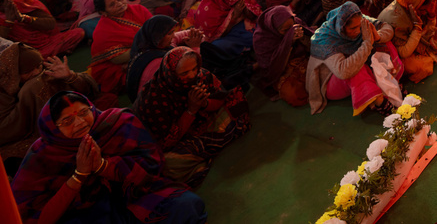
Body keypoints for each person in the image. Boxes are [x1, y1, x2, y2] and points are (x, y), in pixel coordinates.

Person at [11, 91, 207, 224]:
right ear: (53, 129)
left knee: (186, 206)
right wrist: (79, 174)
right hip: (85, 213)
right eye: (67, 121)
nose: (80, 123)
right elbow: (34, 217)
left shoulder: (116, 122)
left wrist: (103, 166)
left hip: (133, 193)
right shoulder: (43, 156)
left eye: (83, 112)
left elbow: (152, 166)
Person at [133, 47, 250, 187]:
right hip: (171, 142)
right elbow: (165, 143)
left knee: (236, 103)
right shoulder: (153, 100)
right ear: (171, 74)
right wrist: (191, 110)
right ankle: (201, 151)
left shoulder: (201, 76)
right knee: (168, 164)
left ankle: (200, 153)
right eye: (184, 73)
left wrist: (204, 103)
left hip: (199, 123)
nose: (192, 75)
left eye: (195, 68)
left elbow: (219, 99)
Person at [0, 43, 98, 155]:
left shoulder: (46, 72)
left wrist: (70, 77)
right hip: (29, 135)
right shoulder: (3, 88)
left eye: (38, 66)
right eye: (28, 71)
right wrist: (28, 95)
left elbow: (88, 90)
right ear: (14, 74)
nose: (37, 72)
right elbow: (5, 130)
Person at [306, 2, 403, 115]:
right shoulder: (324, 39)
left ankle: (391, 83)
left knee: (383, 43)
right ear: (342, 27)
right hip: (328, 83)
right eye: (353, 28)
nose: (358, 31)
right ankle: (380, 103)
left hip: (349, 71)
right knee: (356, 68)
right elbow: (343, 72)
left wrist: (378, 36)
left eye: (359, 26)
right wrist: (366, 43)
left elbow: (386, 27)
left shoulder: (360, 20)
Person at [377, 0, 437, 83]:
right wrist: (417, 27)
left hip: (414, 39)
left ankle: (431, 57)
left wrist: (431, 15)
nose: (424, 13)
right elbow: (404, 52)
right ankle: (433, 57)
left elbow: (427, 29)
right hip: (397, 54)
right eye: (422, 10)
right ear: (414, 6)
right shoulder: (398, 19)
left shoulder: (409, 4)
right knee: (421, 67)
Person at [87, 0, 152, 99]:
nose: (119, 3)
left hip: (144, 51)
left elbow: (155, 28)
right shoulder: (103, 30)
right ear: (104, 12)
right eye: (112, 5)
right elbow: (117, 59)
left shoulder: (138, 9)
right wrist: (149, 46)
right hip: (119, 65)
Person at [0, 0, 84, 58]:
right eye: (0, 1)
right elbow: (2, 42)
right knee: (26, 58)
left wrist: (23, 18)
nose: (5, 3)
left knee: (78, 32)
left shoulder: (25, 3)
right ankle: (50, 55)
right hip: (24, 51)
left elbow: (50, 24)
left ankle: (46, 56)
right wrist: (9, 22)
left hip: (48, 42)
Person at [253, 5, 310, 106]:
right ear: (274, 28)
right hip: (281, 71)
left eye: (291, 27)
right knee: (294, 95)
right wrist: (289, 43)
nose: (290, 32)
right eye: (285, 31)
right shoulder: (261, 38)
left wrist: (302, 38)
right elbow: (270, 68)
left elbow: (311, 44)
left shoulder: (295, 22)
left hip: (302, 59)